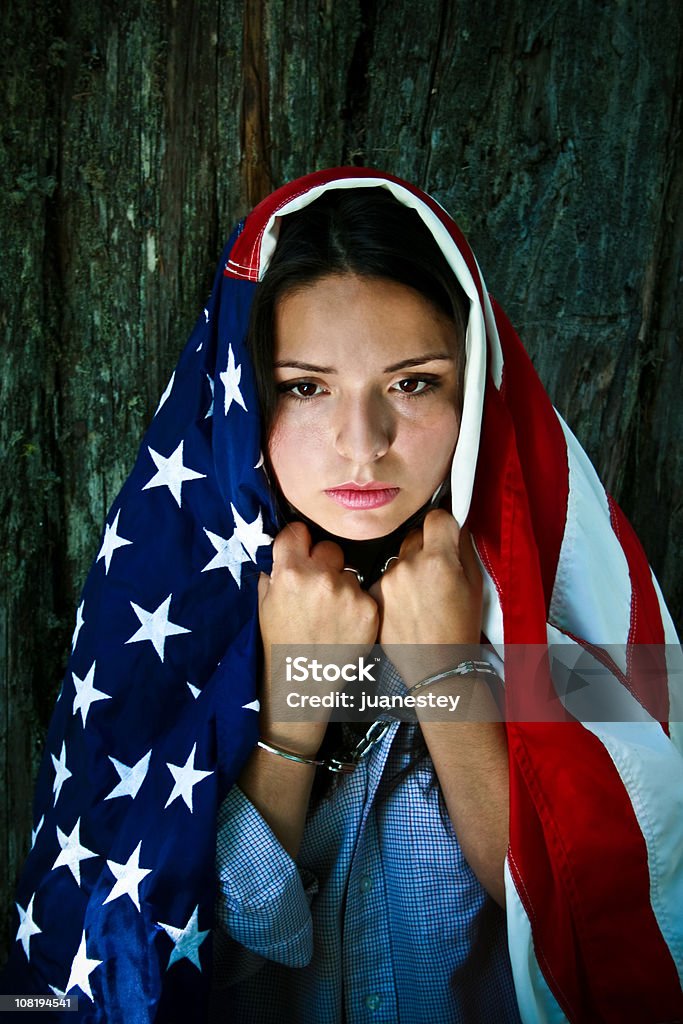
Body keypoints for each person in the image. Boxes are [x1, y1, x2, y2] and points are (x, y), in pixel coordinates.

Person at [4, 168, 682, 1024]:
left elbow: (596, 922)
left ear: (471, 386)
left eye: (411, 383)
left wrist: (448, 672)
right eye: (305, 386)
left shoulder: (575, 600)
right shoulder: (162, 619)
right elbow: (164, 964)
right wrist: (295, 701)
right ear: (246, 391)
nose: (362, 447)